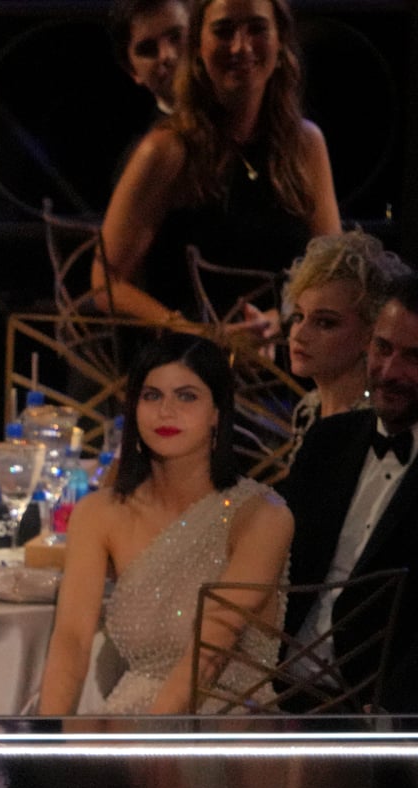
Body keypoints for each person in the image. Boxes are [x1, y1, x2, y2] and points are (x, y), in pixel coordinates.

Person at [40, 334, 293, 714]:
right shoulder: (99, 513)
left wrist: (153, 747)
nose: (166, 411)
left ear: (217, 413)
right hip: (133, 714)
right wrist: (48, 743)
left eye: (187, 396)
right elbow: (72, 640)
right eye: (152, 396)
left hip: (231, 726)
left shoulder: (263, 516)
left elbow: (214, 644)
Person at [94, 0, 338, 329]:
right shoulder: (166, 150)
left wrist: (280, 319)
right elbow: (105, 283)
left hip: (287, 353)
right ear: (198, 47)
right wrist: (200, 334)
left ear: (280, 41)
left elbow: (332, 271)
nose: (240, 46)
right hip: (192, 364)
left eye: (257, 28)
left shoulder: (306, 143)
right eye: (223, 32)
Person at [279, 272, 418, 711]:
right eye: (382, 348)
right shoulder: (328, 440)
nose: (390, 371)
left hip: (379, 710)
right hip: (281, 691)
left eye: (414, 358)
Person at [280, 232, 409, 441]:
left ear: (371, 335)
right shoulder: (308, 410)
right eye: (298, 316)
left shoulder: (381, 422)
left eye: (325, 322)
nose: (299, 335)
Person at [110, 0, 191, 114]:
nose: (167, 55)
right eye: (148, 49)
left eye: (176, 37)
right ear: (132, 70)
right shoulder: (154, 132)